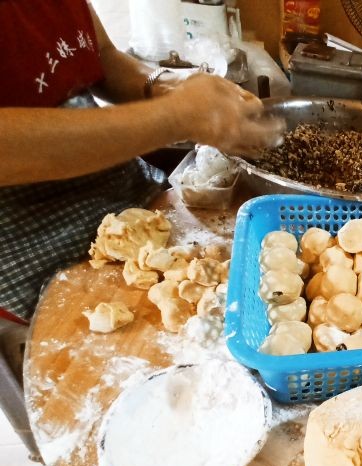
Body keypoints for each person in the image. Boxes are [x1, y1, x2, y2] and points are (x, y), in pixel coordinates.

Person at [0, 0, 282, 323]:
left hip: (118, 192)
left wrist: (171, 85)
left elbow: (101, 57)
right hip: (27, 244)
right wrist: (173, 118)